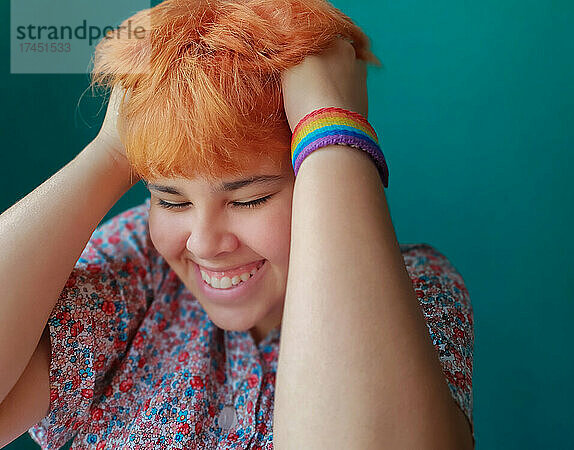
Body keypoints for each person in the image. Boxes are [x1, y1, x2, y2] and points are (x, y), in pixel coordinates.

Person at [0, 0, 474, 448]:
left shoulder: (416, 291)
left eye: (250, 199)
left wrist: (330, 124)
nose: (204, 243)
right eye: (170, 199)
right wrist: (106, 155)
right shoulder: (136, 266)